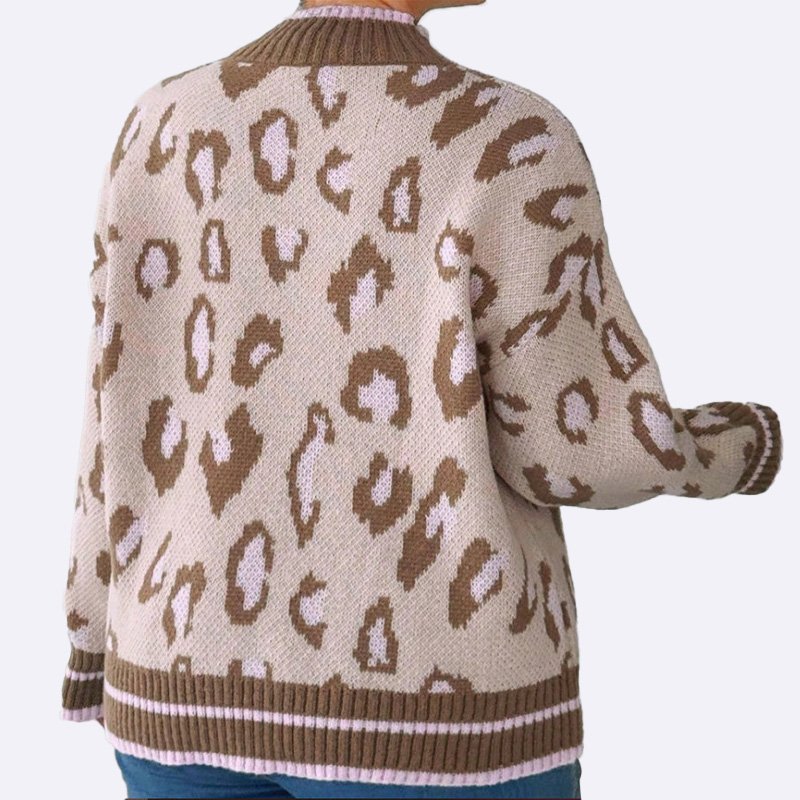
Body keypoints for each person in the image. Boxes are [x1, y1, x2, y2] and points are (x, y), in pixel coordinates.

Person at [60, 0, 783, 797]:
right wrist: (738, 446)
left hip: (171, 690)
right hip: (436, 719)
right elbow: (580, 449)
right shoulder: (507, 137)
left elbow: (114, 418)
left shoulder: (161, 121)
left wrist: (91, 638)